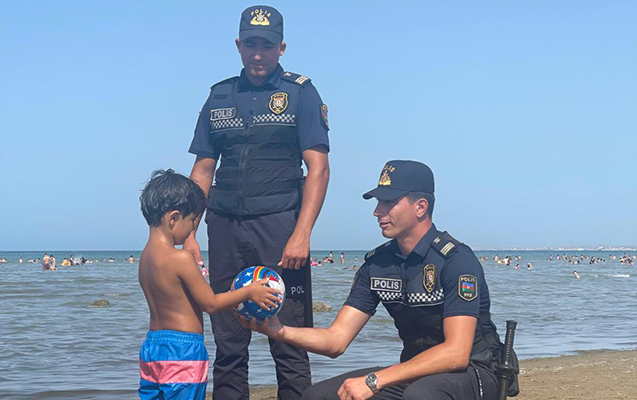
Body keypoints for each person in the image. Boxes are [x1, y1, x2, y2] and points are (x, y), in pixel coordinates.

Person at [244, 160, 509, 400]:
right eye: (377, 202)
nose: (377, 211)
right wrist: (278, 330)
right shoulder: (377, 264)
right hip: (415, 371)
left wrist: (375, 380)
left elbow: (456, 353)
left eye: (388, 202)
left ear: (420, 207)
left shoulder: (456, 260)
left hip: (474, 371)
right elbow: (336, 340)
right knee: (318, 396)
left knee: (421, 395)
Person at [185, 6, 330, 399]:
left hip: (279, 226)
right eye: (250, 44)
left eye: (267, 45)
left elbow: (318, 168)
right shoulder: (218, 96)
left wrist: (302, 234)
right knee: (229, 344)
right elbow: (203, 169)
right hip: (224, 227)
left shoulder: (300, 93)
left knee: (289, 340)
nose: (258, 53)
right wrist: (190, 234)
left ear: (281, 48)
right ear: (238, 45)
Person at [137, 169, 281, 400]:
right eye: (192, 221)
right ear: (173, 218)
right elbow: (211, 303)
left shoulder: (145, 258)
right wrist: (249, 292)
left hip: (152, 348)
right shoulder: (181, 258)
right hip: (183, 350)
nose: (192, 229)